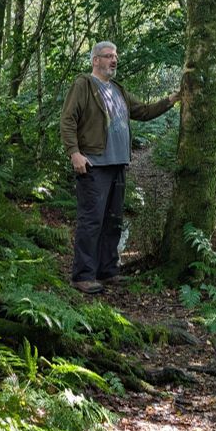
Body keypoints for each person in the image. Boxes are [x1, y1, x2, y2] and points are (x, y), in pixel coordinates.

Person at [60, 41, 180, 293]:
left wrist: (171, 99)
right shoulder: (84, 85)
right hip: (94, 164)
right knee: (91, 221)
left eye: (115, 56)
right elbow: (68, 119)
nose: (114, 60)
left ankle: (107, 270)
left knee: (113, 220)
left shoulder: (118, 90)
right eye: (108, 56)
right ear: (95, 60)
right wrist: (74, 153)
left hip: (118, 164)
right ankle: (83, 275)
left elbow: (144, 111)